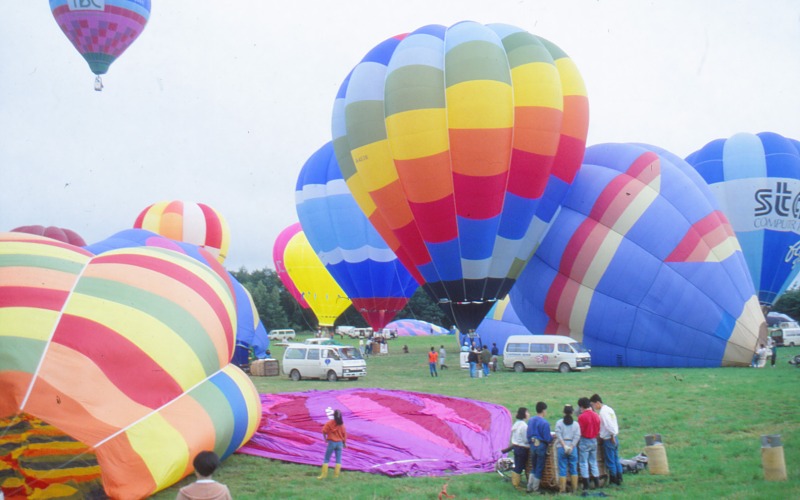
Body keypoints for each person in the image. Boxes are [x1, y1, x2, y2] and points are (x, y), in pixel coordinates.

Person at [591, 394, 623, 486]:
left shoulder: (603, 412)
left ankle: (613, 480)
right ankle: (619, 477)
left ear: (597, 403)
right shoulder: (609, 409)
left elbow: (608, 425)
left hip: (609, 438)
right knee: (616, 458)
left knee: (610, 460)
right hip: (614, 436)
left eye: (593, 404)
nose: (593, 407)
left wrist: (612, 435)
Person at [526, 401, 552, 492]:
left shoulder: (531, 421)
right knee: (539, 466)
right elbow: (547, 438)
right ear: (543, 410)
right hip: (541, 445)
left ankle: (529, 486)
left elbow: (528, 434)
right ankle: (535, 488)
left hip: (533, 444)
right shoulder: (545, 423)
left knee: (533, 466)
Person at [577, 397, 600, 490]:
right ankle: (597, 483)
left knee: (583, 463)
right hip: (594, 440)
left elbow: (580, 430)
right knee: (593, 462)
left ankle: (586, 484)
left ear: (582, 406)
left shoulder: (581, 417)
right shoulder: (596, 415)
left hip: (585, 440)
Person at [556, 405, 580, 493]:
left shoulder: (559, 423)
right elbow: (577, 436)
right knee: (573, 467)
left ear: (563, 412)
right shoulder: (576, 424)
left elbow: (558, 435)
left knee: (562, 468)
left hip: (561, 447)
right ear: (572, 412)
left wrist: (564, 445)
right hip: (572, 448)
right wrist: (572, 446)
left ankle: (562, 489)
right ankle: (574, 489)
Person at [318, 409, 347, 479]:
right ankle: (336, 476)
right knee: (338, 459)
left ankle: (323, 475)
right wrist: (344, 443)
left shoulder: (329, 423)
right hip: (339, 443)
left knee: (326, 458)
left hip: (331, 442)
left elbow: (324, 431)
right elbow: (344, 435)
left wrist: (325, 439)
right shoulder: (342, 425)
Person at [509, 407, 530, 491]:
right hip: (522, 448)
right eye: (527, 412)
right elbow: (525, 439)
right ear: (524, 414)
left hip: (516, 447)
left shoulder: (516, 424)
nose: (528, 414)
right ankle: (516, 485)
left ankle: (514, 482)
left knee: (517, 465)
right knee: (520, 466)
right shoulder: (524, 426)